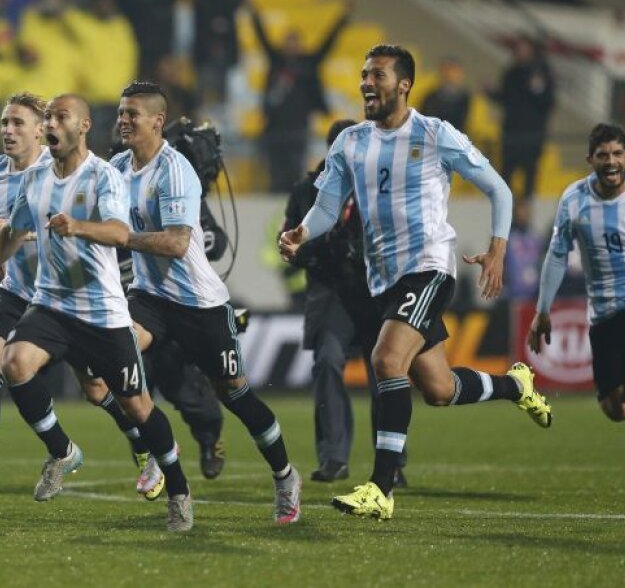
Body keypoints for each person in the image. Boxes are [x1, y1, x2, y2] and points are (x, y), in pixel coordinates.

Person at [279, 44, 552, 521]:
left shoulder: (434, 133)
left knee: (386, 360)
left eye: (377, 75)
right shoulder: (350, 142)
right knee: (440, 389)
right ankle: (515, 385)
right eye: (364, 74)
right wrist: (302, 232)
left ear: (403, 84)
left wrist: (498, 249)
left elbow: (499, 189)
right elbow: (327, 208)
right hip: (383, 278)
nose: (367, 82)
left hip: (428, 267)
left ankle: (382, 488)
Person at [0, 93, 195, 532]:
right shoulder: (35, 178)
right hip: (51, 305)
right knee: (13, 362)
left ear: (82, 127)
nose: (53, 123)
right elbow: (10, 237)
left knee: (136, 407)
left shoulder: (103, 177)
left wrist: (77, 226)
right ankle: (61, 452)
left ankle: (177, 488)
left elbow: (120, 233)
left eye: (61, 117)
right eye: (50, 117)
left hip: (102, 313)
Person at [112, 81, 302, 524]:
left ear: (157, 122)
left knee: (234, 394)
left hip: (199, 303)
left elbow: (178, 243)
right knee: (114, 358)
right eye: (120, 112)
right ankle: (161, 456)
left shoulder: (175, 170)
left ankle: (285, 476)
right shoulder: (117, 167)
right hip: (149, 297)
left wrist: (123, 237)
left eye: (132, 114)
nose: (122, 119)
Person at [531, 123, 625, 505]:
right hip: (604, 313)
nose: (611, 163)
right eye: (603, 156)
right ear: (590, 159)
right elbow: (557, 254)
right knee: (617, 409)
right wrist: (543, 308)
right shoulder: (574, 200)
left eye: (618, 155)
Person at [283, 118, 384, 484]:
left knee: (386, 372)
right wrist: (324, 250)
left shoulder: (379, 184)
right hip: (331, 291)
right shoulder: (306, 191)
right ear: (332, 149)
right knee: (327, 363)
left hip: (374, 290)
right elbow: (291, 245)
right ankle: (334, 458)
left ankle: (391, 458)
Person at [251, 4, 351, 191]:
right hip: (275, 126)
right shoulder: (277, 61)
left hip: (299, 126)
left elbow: (327, 44)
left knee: (295, 170)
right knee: (275, 170)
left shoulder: (308, 63)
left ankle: (292, 205)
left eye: (295, 41)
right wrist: (255, 17)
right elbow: (262, 40)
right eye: (288, 41)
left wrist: (342, 20)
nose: (292, 45)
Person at [494, 36, 555, 199]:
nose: (520, 53)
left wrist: (537, 90)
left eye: (524, 49)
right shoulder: (511, 73)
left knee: (530, 172)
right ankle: (505, 205)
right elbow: (505, 98)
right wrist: (490, 93)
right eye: (518, 49)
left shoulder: (542, 73)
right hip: (511, 131)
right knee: (506, 171)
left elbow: (549, 102)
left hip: (532, 133)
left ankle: (526, 207)